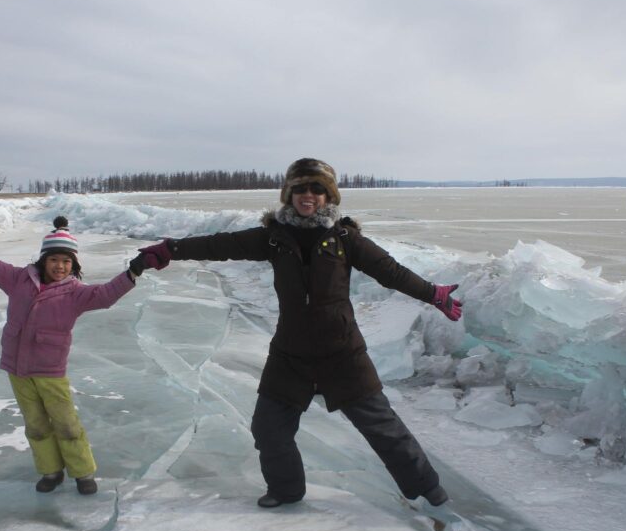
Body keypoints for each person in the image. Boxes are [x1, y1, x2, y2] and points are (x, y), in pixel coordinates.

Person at [139, 158, 462, 508]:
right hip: (290, 353)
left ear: (329, 196)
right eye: (300, 189)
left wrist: (433, 294)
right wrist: (172, 249)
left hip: (342, 352)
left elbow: (391, 272)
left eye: (317, 189)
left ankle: (426, 486)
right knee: (268, 429)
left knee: (382, 426)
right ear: (289, 193)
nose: (308, 196)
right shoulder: (273, 238)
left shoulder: (345, 239)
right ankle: (286, 489)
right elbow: (222, 245)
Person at [0, 216, 153, 495]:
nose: (60, 266)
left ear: (74, 265)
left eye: (66, 261)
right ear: (43, 260)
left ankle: (82, 472)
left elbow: (106, 295)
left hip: (50, 371)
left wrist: (131, 274)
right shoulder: (18, 280)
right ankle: (51, 471)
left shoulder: (75, 294)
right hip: (17, 368)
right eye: (55, 259)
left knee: (66, 423)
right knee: (35, 423)